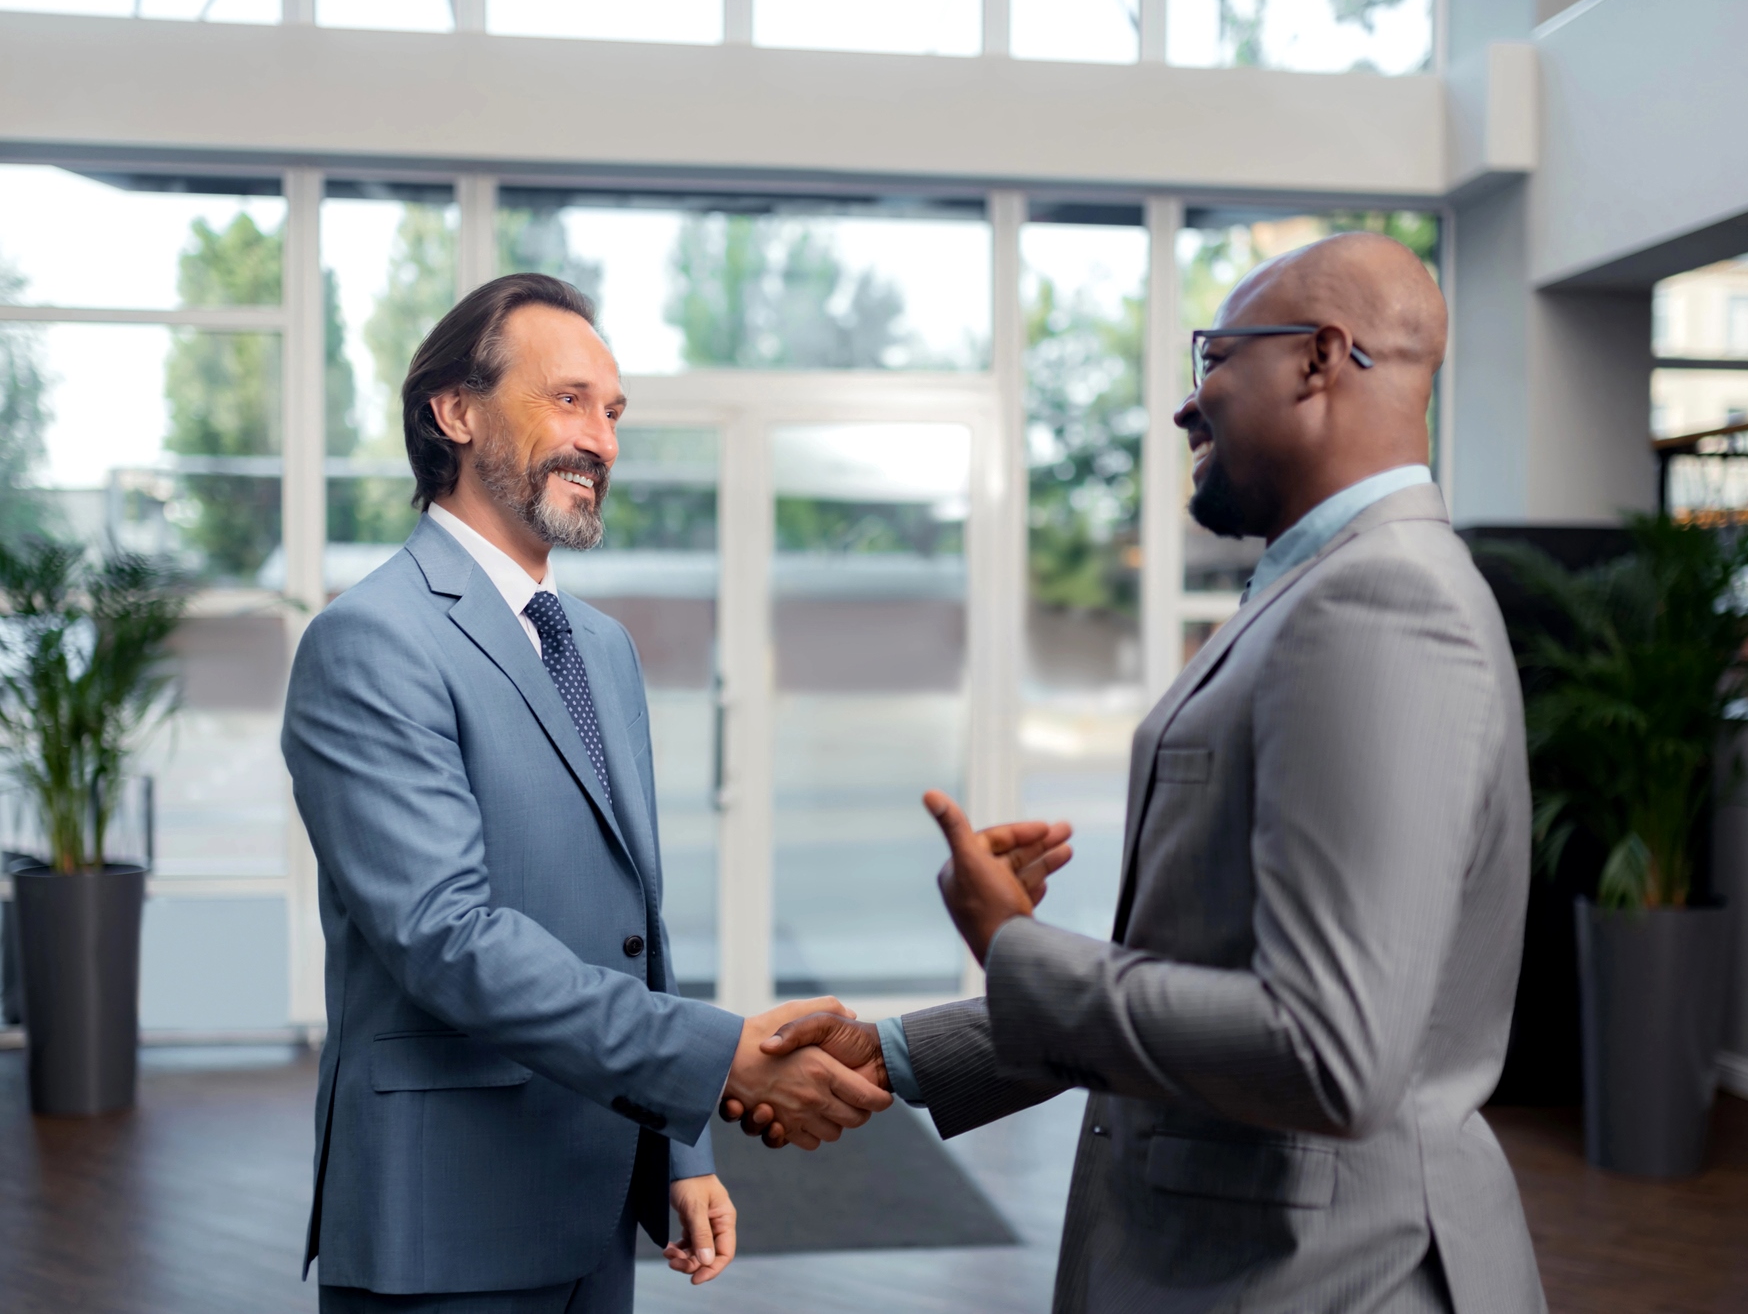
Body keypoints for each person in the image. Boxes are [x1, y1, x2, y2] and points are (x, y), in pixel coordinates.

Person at [732, 234, 1547, 1313]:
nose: (1186, 404)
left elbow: (1326, 1050)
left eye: (1214, 355)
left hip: (1324, 1278)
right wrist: (895, 1056)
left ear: (1316, 358)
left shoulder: (1378, 605)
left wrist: (1012, 947)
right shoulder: (1311, 594)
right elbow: (1205, 975)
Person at [281, 273, 895, 1313]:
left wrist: (679, 1145)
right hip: (444, 1216)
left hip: (595, 1197)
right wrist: (720, 1056)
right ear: (456, 412)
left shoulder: (600, 649)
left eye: (612, 413)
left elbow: (628, 927)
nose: (602, 441)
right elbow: (446, 934)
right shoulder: (372, 640)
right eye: (568, 399)